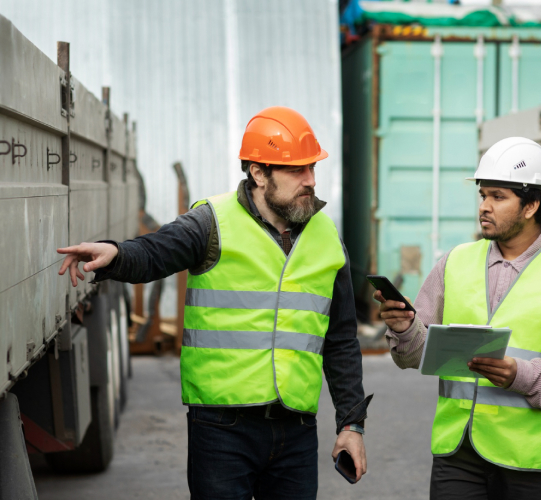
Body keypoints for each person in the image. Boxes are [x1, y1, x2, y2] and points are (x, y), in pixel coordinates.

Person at [57, 106, 371, 499]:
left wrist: (351, 425)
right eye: (296, 170)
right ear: (259, 173)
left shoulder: (327, 236)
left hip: (297, 430)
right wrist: (117, 255)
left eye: (312, 168)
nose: (310, 180)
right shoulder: (212, 222)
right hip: (222, 431)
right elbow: (156, 251)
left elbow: (340, 340)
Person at [376, 137, 541, 499]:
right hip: (458, 454)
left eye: (498, 197)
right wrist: (405, 329)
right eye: (483, 195)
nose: (484, 207)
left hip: (534, 460)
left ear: (531, 205)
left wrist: (523, 375)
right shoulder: (454, 262)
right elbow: (413, 357)